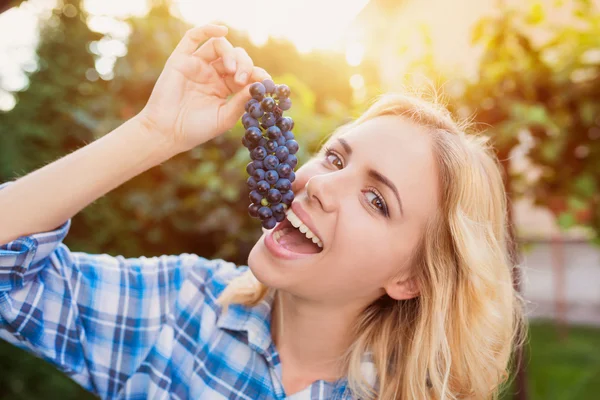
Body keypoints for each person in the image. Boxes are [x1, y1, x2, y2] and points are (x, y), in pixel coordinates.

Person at [0, 24, 524, 400]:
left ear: (410, 277)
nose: (320, 185)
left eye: (377, 200)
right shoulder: (178, 306)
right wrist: (153, 134)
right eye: (336, 157)